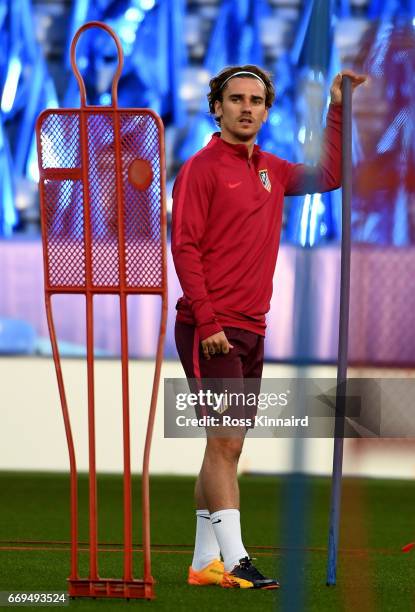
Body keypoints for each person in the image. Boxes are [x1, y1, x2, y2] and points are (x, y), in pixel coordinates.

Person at [171, 64, 366, 590]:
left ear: (266, 110)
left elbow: (329, 176)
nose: (247, 107)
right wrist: (208, 319)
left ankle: (201, 563)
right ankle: (235, 561)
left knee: (221, 445)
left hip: (251, 327)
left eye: (257, 100)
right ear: (218, 107)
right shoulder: (200, 168)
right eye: (236, 99)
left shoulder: (271, 171)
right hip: (210, 328)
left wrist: (338, 106)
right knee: (228, 444)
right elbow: (184, 246)